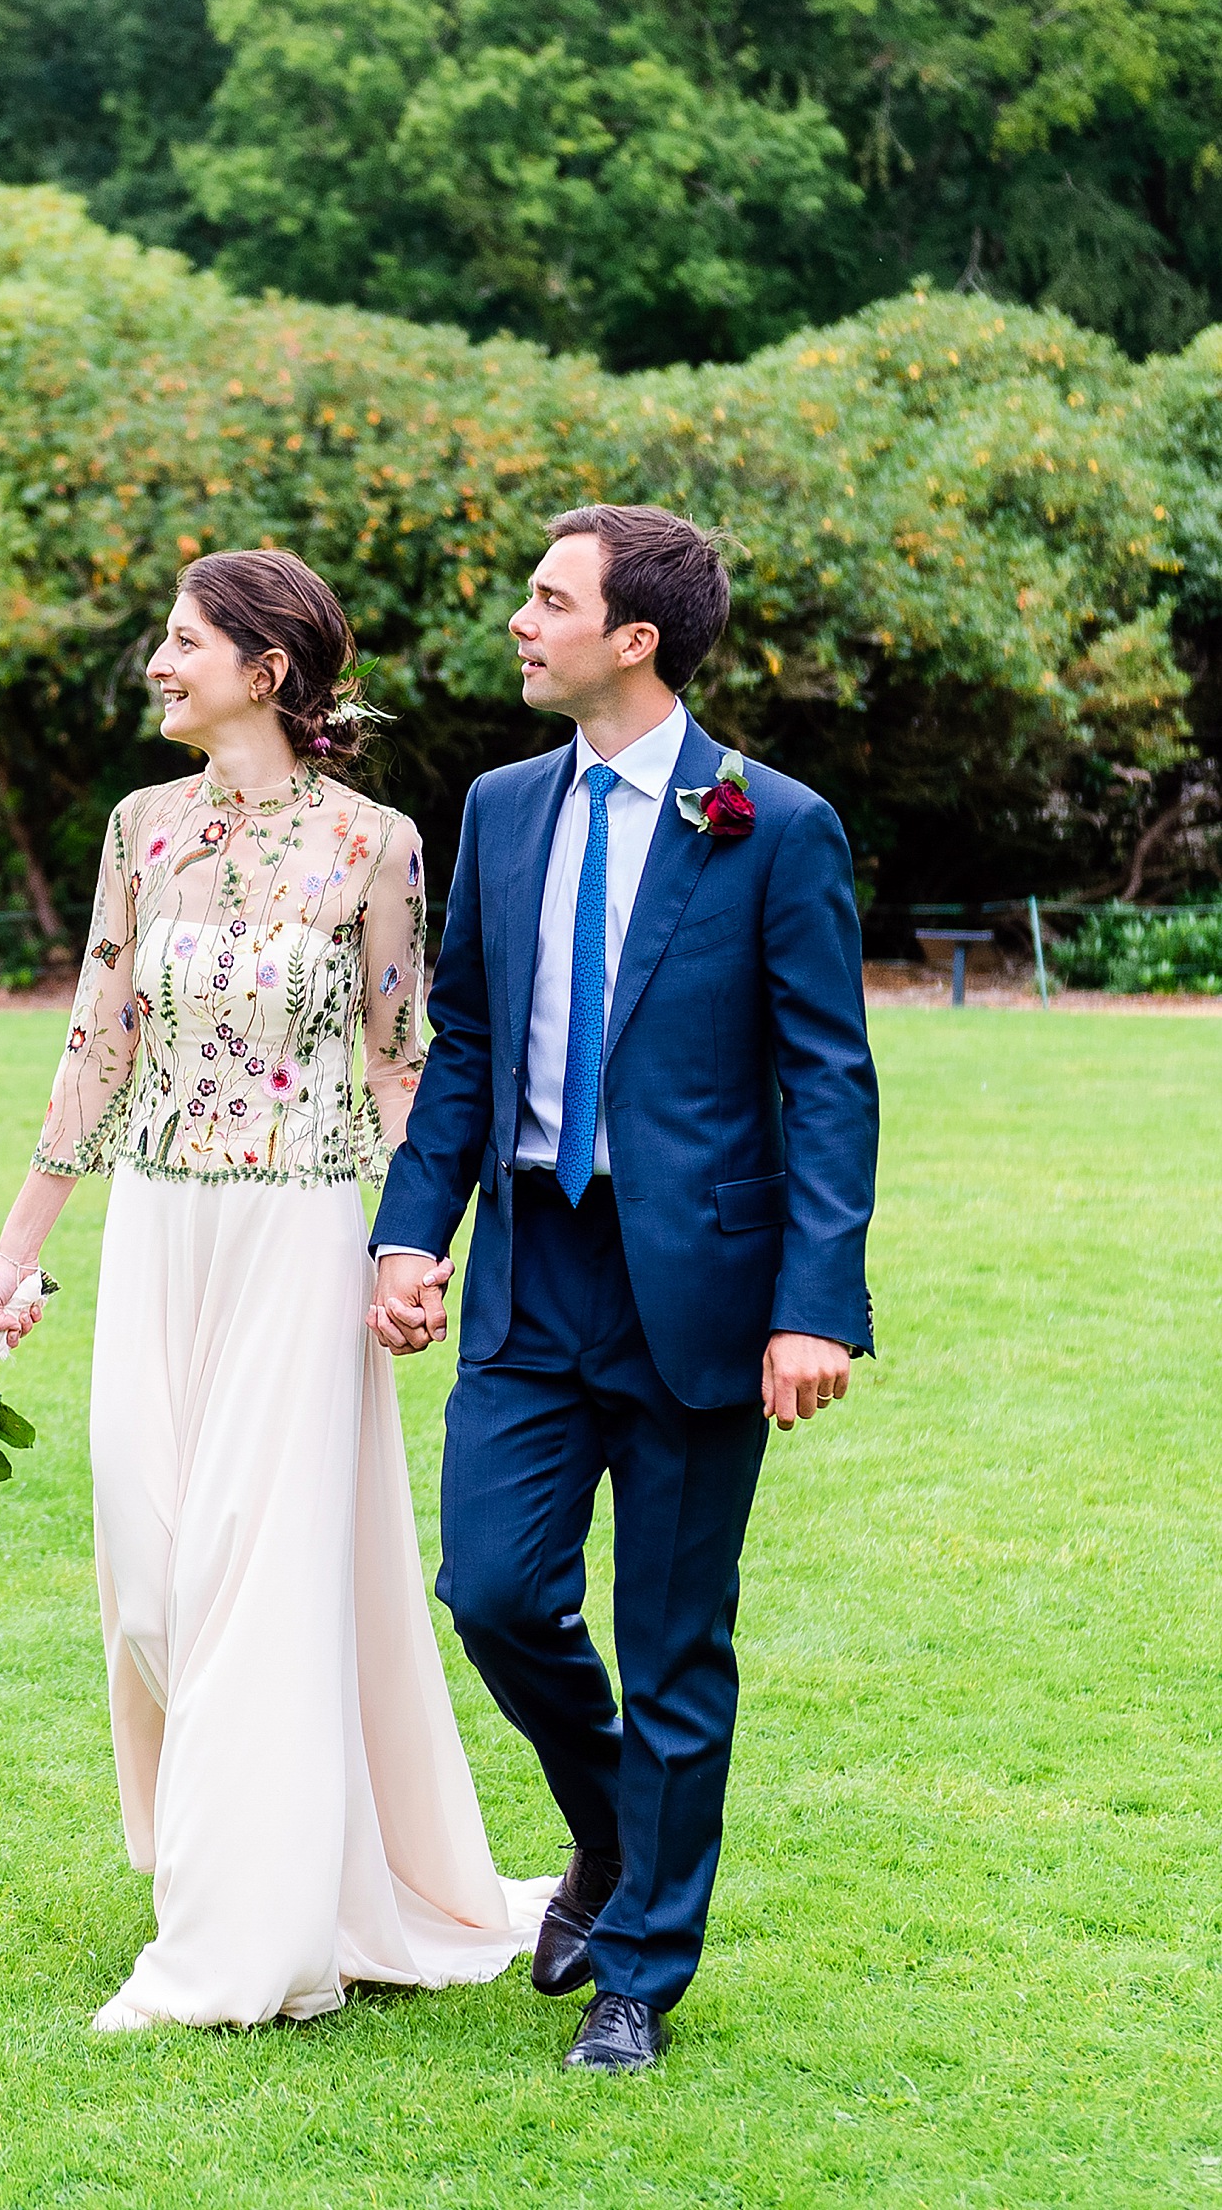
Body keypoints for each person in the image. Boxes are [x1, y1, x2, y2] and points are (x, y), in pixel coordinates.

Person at [0, 547, 549, 2032]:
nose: (158, 665)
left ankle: (250, 1938)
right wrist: (15, 1252)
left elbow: (404, 1056)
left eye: (180, 642)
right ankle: (257, 1862)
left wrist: (414, 1245)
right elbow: (96, 1042)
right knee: (151, 1575)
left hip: (301, 1231)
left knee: (261, 1570)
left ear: (265, 667)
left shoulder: (377, 843)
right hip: (161, 1228)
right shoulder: (140, 830)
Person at [369, 505, 878, 2073]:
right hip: (531, 1274)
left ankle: (641, 1970)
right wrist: (411, 1229)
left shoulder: (769, 823)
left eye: (546, 598)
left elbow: (828, 1075)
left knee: (671, 1644)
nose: (518, 621)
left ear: (633, 637)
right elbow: (465, 1039)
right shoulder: (503, 807)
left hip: (702, 1294)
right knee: (496, 1592)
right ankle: (609, 1833)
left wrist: (817, 1302)